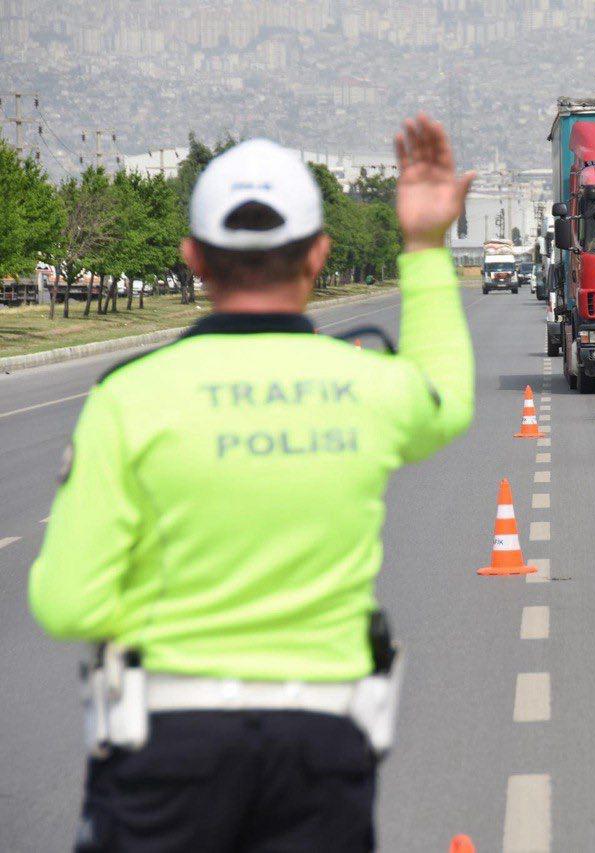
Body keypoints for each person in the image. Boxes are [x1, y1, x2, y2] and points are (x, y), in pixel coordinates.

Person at [28, 114, 475, 852]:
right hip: (322, 752)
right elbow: (445, 397)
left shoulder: (128, 398)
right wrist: (425, 247)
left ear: (195, 259)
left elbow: (67, 600)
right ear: (320, 254)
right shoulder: (366, 386)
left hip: (166, 748)